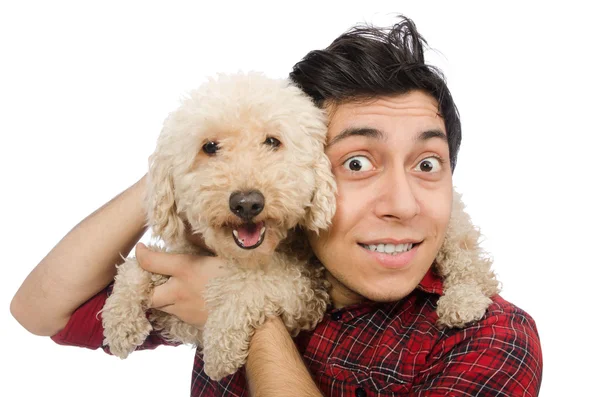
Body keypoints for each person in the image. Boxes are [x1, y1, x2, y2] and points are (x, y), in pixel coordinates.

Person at [11, 16, 542, 396]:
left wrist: (250, 322)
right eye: (357, 163)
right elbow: (40, 311)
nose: (402, 204)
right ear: (306, 175)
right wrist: (180, 167)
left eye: (428, 164)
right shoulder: (242, 257)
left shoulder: (493, 340)